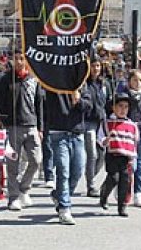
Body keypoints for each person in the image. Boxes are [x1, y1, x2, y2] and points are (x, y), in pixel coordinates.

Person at [0, 51, 45, 210]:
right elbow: (1, 102)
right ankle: (13, 197)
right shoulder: (6, 79)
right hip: (13, 127)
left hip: (31, 125)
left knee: (36, 160)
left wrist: (40, 127)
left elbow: (39, 103)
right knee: (12, 164)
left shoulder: (33, 79)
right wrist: (3, 123)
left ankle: (24, 189)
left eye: (22, 59)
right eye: (16, 59)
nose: (19, 62)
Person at [45, 88, 92, 225]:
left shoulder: (80, 83)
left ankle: (58, 196)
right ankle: (64, 208)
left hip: (77, 133)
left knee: (77, 171)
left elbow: (89, 105)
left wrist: (78, 100)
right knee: (63, 170)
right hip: (58, 132)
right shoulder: (53, 83)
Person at [99, 93, 139, 217]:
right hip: (112, 155)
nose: (123, 109)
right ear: (113, 107)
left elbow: (134, 142)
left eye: (126, 107)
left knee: (125, 182)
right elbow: (100, 137)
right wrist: (105, 141)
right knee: (113, 178)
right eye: (120, 106)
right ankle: (104, 194)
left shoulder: (132, 125)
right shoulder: (107, 122)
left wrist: (133, 158)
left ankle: (122, 206)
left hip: (126, 157)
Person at [121, 69, 141, 208]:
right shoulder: (125, 95)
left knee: (140, 164)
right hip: (127, 131)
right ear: (129, 82)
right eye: (135, 80)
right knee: (128, 164)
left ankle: (138, 194)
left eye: (140, 80)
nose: (138, 83)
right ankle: (123, 190)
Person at [82, 59, 109, 198]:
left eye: (98, 65)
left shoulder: (104, 84)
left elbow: (108, 102)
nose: (95, 68)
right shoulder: (84, 83)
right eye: (93, 66)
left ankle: (90, 174)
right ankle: (90, 185)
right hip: (88, 122)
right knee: (92, 154)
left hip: (101, 122)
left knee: (101, 154)